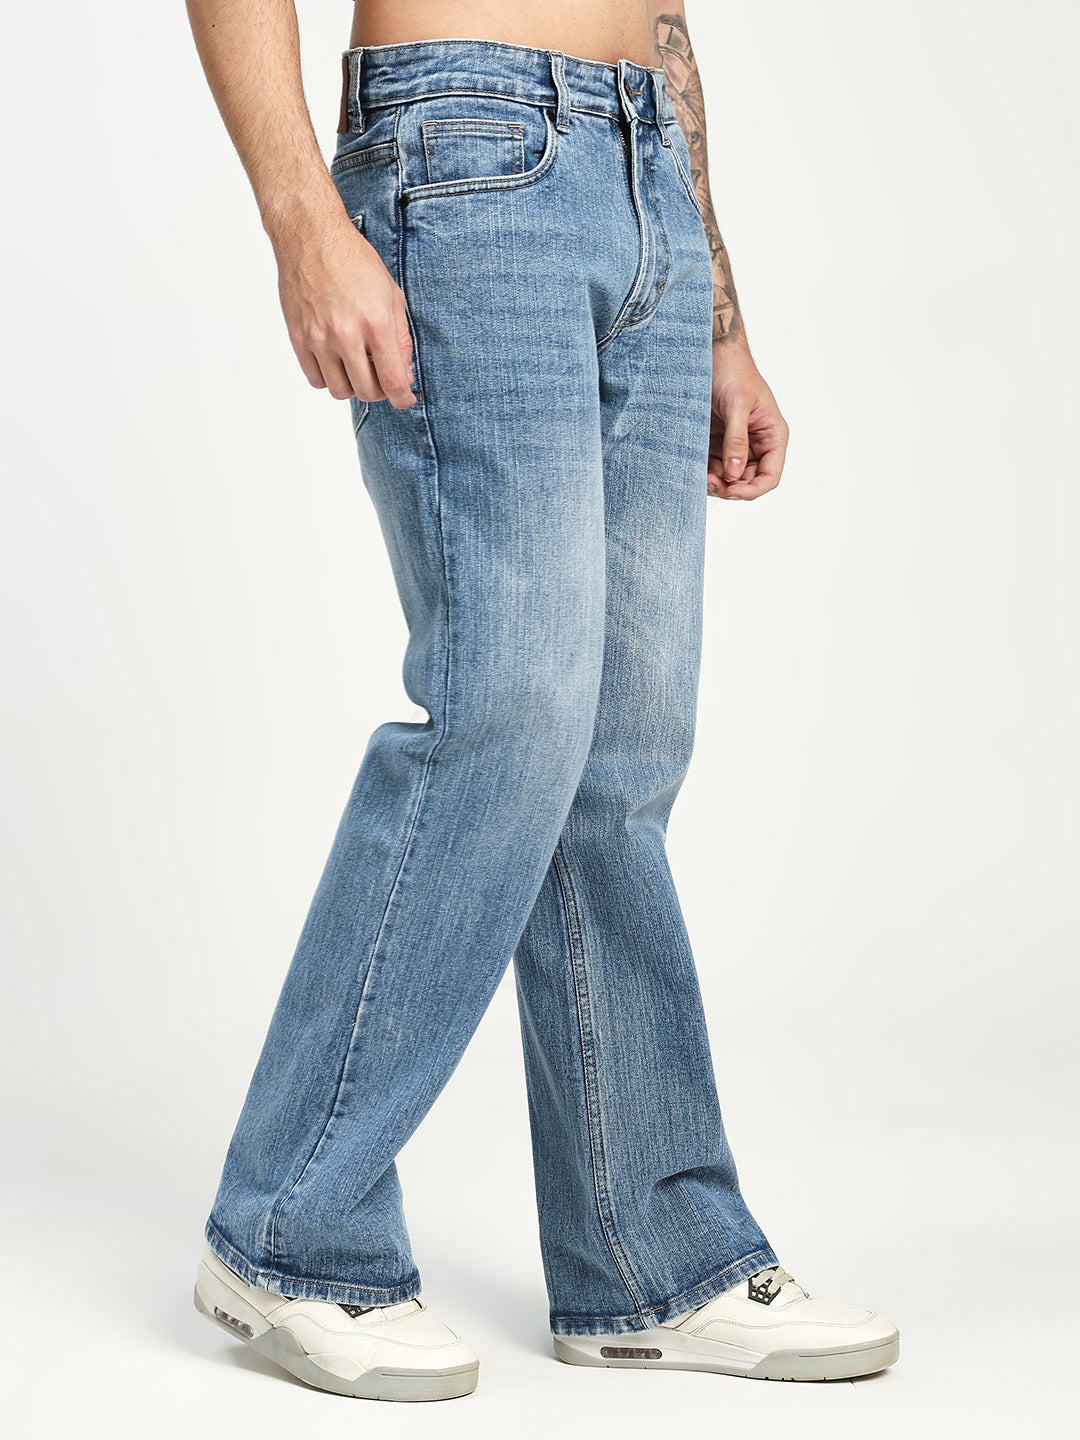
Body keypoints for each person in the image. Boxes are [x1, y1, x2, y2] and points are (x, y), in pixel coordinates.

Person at [185, 0, 899, 1402]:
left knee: (619, 761)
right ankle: (287, 1235)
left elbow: (664, 20)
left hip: (644, 174)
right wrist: (303, 220)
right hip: (465, 151)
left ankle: (652, 1259)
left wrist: (715, 314)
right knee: (505, 715)